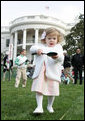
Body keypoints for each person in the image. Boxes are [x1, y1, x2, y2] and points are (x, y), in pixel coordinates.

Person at [30, 27, 64, 113]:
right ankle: (39, 107)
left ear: (57, 39)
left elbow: (61, 58)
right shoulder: (40, 46)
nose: (51, 40)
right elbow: (32, 49)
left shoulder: (58, 47)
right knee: (39, 88)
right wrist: (37, 50)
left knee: (52, 90)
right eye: (49, 38)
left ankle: (49, 106)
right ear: (45, 39)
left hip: (52, 73)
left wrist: (57, 57)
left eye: (54, 38)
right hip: (41, 72)